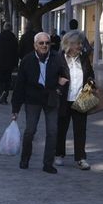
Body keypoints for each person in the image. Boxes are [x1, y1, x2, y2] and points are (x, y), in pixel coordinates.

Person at [10, 31, 68, 174]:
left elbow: (65, 75)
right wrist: (15, 108)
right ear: (35, 45)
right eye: (41, 43)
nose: (44, 45)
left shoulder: (57, 58)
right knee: (30, 131)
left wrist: (60, 88)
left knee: (53, 131)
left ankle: (48, 163)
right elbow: (20, 85)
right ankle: (25, 159)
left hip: (51, 97)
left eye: (47, 43)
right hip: (33, 99)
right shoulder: (27, 60)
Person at [55, 31, 93, 171]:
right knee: (61, 129)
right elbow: (51, 76)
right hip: (64, 99)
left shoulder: (83, 58)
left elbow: (90, 74)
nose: (80, 46)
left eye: (80, 43)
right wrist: (58, 81)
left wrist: (89, 86)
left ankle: (81, 158)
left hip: (81, 98)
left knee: (80, 130)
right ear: (69, 44)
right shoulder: (58, 58)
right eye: (78, 43)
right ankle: (58, 154)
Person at [0, 21, 19, 104]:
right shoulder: (13, 38)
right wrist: (15, 63)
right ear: (11, 29)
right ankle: (5, 93)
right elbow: (16, 52)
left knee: (0, 79)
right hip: (9, 64)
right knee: (7, 80)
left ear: (4, 28)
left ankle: (1, 92)